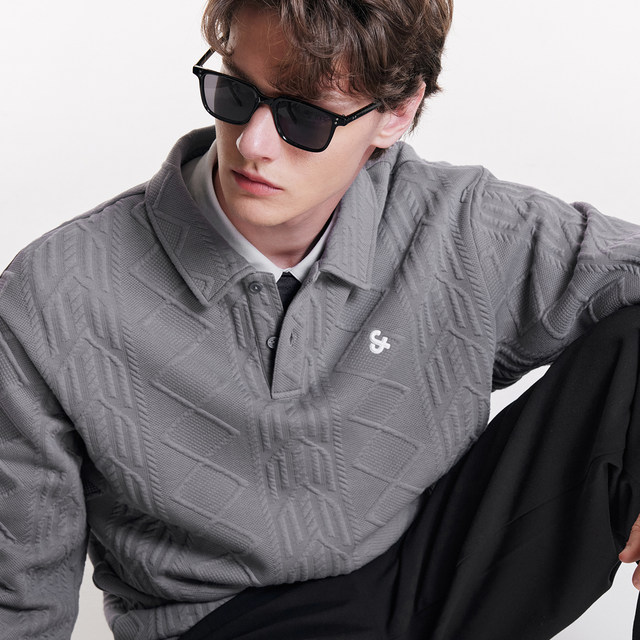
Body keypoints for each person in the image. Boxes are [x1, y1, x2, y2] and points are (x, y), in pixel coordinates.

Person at [1, 1, 640, 639]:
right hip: (233, 622)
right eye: (234, 93)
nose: (252, 144)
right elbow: (19, 603)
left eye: (304, 116)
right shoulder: (54, 293)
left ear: (397, 113)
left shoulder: (462, 225)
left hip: (432, 575)